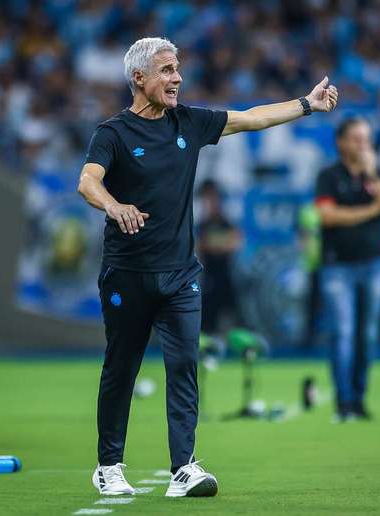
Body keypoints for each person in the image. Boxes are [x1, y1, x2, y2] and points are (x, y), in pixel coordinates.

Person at [77, 37, 338, 497]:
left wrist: (307, 105)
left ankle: (184, 468)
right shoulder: (112, 134)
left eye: (177, 69)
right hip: (127, 274)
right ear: (139, 78)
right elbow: (87, 182)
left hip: (180, 275)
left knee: (184, 367)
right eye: (166, 70)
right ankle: (109, 465)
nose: (177, 77)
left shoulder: (189, 122)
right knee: (122, 369)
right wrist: (115, 206)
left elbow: (252, 117)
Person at [315, 117, 380, 423]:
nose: (363, 145)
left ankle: (359, 399)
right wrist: (370, 210)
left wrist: (373, 175)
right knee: (342, 333)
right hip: (337, 266)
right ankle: (343, 402)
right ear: (341, 142)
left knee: (367, 335)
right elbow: (327, 216)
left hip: (372, 264)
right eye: (356, 138)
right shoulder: (328, 176)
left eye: (366, 139)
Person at [196, 179, 241, 334]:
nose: (211, 203)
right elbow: (201, 245)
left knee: (235, 315)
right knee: (208, 318)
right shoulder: (203, 224)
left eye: (214, 199)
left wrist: (215, 244)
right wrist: (219, 244)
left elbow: (234, 242)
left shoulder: (226, 222)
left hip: (226, 275)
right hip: (209, 277)